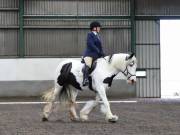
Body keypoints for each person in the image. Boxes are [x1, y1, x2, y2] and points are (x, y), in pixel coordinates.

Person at [82, 21, 105, 86]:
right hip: (89, 54)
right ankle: (85, 79)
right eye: (98, 27)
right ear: (94, 28)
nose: (99, 29)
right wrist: (98, 51)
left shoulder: (98, 36)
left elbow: (100, 46)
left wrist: (102, 53)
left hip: (96, 55)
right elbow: (90, 44)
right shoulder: (90, 34)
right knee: (88, 65)